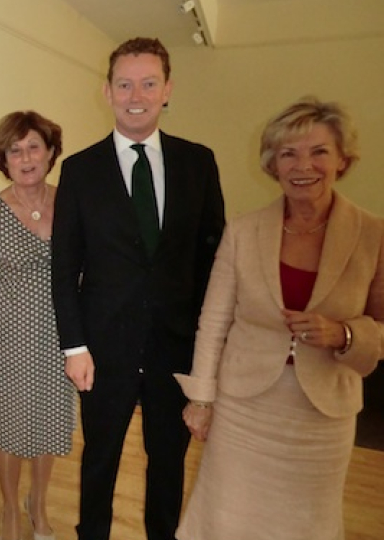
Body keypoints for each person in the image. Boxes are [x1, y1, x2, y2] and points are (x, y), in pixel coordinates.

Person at [175, 97, 384, 540]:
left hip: (322, 418)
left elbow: (380, 330)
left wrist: (343, 334)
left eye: (318, 151)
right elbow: (214, 322)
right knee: (227, 519)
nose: (302, 165)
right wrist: (201, 398)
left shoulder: (373, 235)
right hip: (244, 409)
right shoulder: (243, 231)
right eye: (288, 153)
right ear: (273, 164)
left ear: (342, 160)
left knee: (305, 525)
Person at [51, 37, 225, 540]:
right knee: (99, 460)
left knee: (168, 463)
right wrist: (75, 346)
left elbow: (213, 262)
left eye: (149, 83)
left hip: (176, 349)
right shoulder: (81, 171)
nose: (136, 95)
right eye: (125, 84)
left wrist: (208, 357)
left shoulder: (199, 163)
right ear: (106, 91)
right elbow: (65, 268)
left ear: (167, 89)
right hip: (102, 349)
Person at [0, 110, 75, 540]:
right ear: (3, 160)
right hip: (8, 340)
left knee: (50, 424)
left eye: (34, 147)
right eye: (15, 150)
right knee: (10, 428)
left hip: (62, 338)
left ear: (49, 153)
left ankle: (38, 504)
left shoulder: (71, 204)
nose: (26, 158)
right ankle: (11, 509)